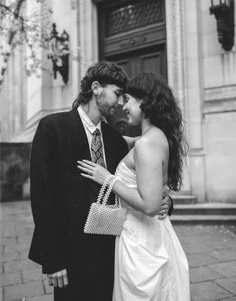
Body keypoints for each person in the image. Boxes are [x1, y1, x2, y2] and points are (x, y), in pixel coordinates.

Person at [29, 62, 173, 301]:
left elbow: (143, 179)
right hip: (70, 255)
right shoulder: (52, 128)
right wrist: (53, 259)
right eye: (117, 94)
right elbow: (43, 198)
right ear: (96, 88)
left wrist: (166, 200)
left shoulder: (115, 140)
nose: (120, 102)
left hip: (112, 253)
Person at [78, 72, 190, 301]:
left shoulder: (147, 144)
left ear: (145, 102)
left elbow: (149, 205)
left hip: (140, 240)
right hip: (152, 234)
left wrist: (108, 179)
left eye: (127, 99)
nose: (123, 106)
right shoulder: (155, 137)